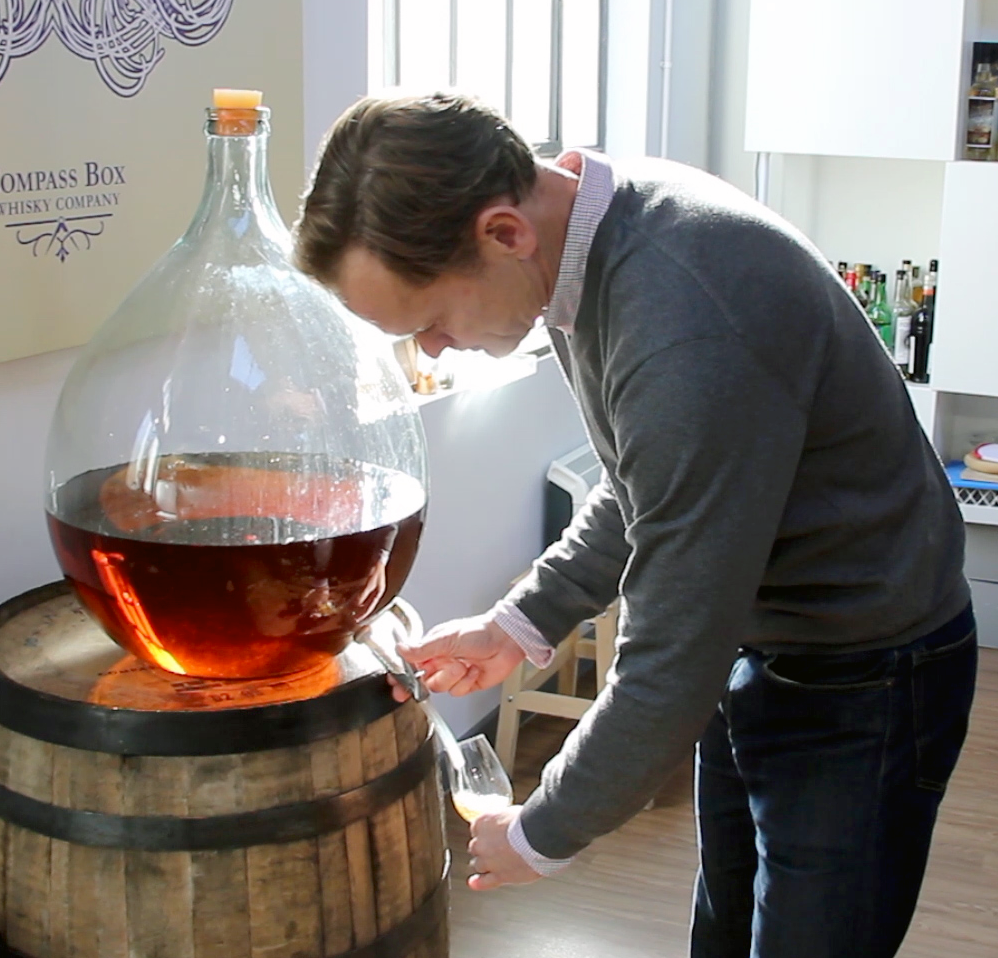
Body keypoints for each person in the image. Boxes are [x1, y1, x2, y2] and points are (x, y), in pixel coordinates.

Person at [291, 91, 978, 958]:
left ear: (504, 232)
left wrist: (543, 830)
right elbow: (647, 486)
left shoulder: (686, 315)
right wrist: (520, 622)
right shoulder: (590, 233)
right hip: (766, 648)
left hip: (868, 675)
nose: (429, 350)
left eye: (429, 320)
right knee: (725, 931)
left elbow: (672, 653)